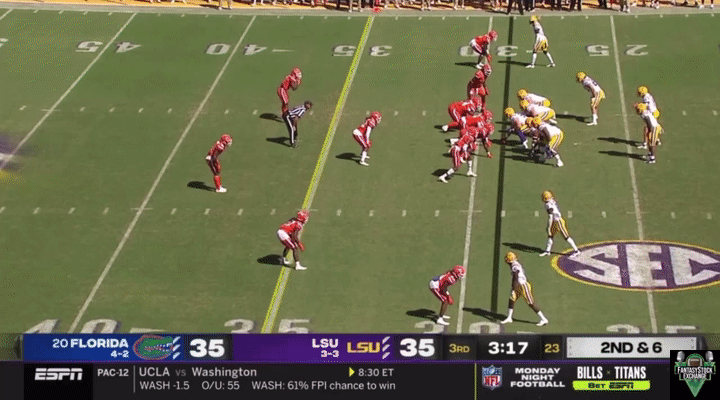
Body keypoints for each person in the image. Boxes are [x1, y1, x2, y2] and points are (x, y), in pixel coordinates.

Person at [499, 252, 549, 327]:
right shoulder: (514, 264)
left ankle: (543, 319)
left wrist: (513, 289)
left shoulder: (514, 266)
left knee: (530, 303)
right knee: (512, 299)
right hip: (518, 285)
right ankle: (509, 317)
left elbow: (515, 278)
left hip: (523, 286)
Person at [539, 191, 581, 257]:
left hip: (558, 221)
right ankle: (547, 251)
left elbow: (550, 217)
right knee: (550, 235)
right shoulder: (552, 201)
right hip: (555, 221)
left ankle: (577, 251)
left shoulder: (548, 205)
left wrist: (548, 227)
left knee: (566, 237)